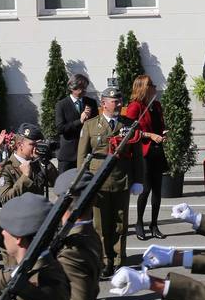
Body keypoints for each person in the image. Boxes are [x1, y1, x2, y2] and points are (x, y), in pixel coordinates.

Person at [77, 86, 140, 275]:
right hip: (98, 181)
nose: (119, 104)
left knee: (120, 223)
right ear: (103, 103)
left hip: (122, 178)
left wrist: (139, 179)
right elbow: (82, 157)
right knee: (100, 224)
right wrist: (82, 182)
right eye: (115, 101)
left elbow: (137, 156)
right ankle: (105, 260)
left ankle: (120, 259)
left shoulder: (129, 125)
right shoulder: (90, 125)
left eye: (120, 101)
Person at [124, 74, 167, 241]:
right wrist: (149, 135)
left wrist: (163, 133)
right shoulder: (135, 106)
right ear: (143, 88)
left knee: (157, 190)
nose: (155, 87)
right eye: (151, 85)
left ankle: (154, 224)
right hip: (144, 153)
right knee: (146, 189)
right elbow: (128, 130)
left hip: (158, 151)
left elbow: (160, 126)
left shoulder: (156, 105)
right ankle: (139, 223)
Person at [0, 122, 53, 203]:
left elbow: (56, 182)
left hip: (38, 212)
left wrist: (44, 162)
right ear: (20, 145)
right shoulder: (4, 168)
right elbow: (5, 199)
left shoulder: (38, 163)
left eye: (38, 144)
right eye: (33, 144)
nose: (37, 148)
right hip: (19, 214)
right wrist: (25, 177)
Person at [55, 73, 97, 174]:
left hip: (87, 152)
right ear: (72, 88)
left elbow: (96, 124)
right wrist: (79, 121)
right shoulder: (62, 105)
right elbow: (60, 128)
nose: (84, 91)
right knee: (65, 186)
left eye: (85, 88)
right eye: (81, 88)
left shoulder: (91, 103)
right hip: (68, 154)